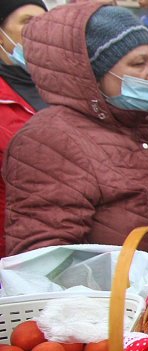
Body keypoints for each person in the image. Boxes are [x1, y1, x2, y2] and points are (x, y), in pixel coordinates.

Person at [4, 3, 148, 268]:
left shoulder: (138, 130)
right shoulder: (50, 140)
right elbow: (45, 264)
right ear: (89, 73)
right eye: (138, 64)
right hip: (125, 308)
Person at [0, 0, 45, 258]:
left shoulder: (66, 87)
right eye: (27, 22)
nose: (37, 30)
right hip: (13, 248)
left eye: (43, 22)